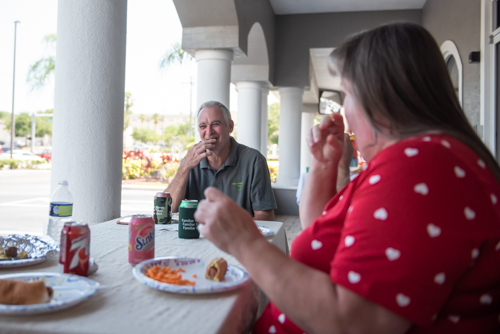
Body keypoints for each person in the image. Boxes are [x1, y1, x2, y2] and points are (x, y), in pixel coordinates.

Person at [193, 22, 500, 334]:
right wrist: (325, 163)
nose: (345, 110)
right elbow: (320, 231)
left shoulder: (421, 166)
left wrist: (244, 241)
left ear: (380, 98)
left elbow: (355, 323)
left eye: (348, 93)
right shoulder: (424, 160)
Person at [165, 100, 277, 221]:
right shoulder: (190, 162)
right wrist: (184, 168)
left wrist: (233, 232)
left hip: (237, 237)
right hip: (196, 236)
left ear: (230, 126)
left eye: (216, 124)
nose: (209, 132)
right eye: (203, 126)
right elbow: (168, 211)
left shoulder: (254, 160)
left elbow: (265, 216)